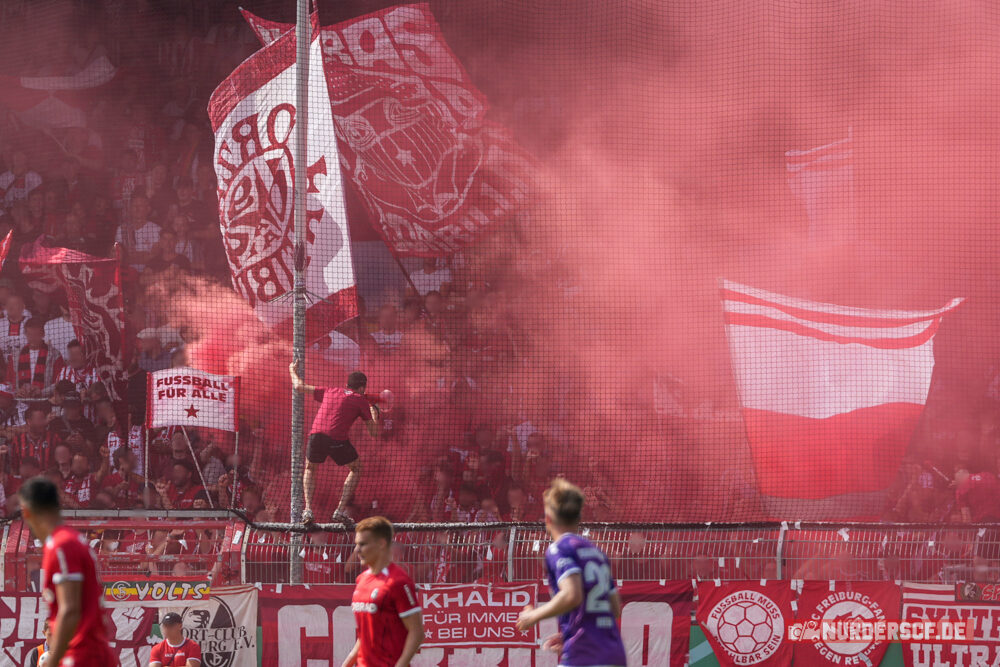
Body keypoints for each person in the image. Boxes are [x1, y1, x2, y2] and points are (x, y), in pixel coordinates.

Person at [516, 478, 627, 667]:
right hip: (614, 654)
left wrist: (532, 617)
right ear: (578, 518)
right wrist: (572, 632)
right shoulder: (597, 552)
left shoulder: (558, 549)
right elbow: (614, 608)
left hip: (584, 655)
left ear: (548, 520)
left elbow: (572, 595)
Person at [17, 476, 114, 666]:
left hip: (82, 655)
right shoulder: (73, 540)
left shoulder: (62, 545)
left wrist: (53, 660)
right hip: (90, 652)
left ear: (27, 512)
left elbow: (70, 610)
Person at [289, 364, 379, 525]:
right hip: (337, 439)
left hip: (316, 435)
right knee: (357, 468)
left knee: (310, 468)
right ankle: (339, 510)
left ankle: (308, 510)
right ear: (362, 387)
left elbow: (298, 386)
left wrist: (291, 370)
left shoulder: (331, 390)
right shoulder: (360, 399)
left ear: (347, 385)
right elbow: (374, 433)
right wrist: (375, 412)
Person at [344, 516, 423, 667]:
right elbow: (365, 634)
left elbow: (417, 632)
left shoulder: (398, 582)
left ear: (381, 543)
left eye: (362, 544)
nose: (357, 550)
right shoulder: (361, 580)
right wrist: (347, 664)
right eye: (356, 544)